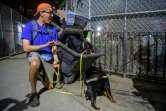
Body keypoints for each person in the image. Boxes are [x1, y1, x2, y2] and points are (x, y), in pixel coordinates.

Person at [21, 3, 59, 107]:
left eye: (52, 13)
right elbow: (26, 48)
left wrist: (56, 60)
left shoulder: (53, 29)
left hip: (47, 57)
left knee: (49, 87)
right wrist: (44, 45)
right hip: (35, 53)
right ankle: (34, 93)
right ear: (41, 13)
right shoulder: (30, 26)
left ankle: (38, 75)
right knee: (34, 63)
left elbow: (54, 48)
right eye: (50, 13)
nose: (52, 15)